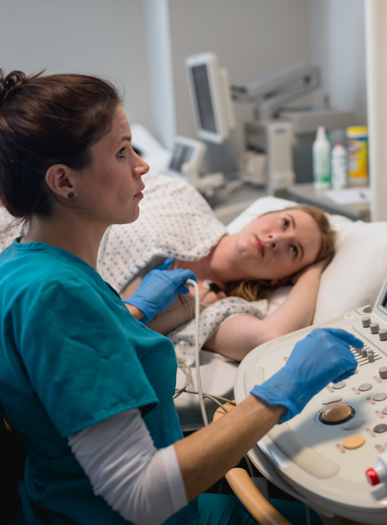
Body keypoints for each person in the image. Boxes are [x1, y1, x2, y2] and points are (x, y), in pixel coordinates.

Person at [0, 69, 363, 525]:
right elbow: (140, 495)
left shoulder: (22, 266)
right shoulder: (58, 294)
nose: (142, 164)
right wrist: (282, 392)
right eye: (121, 150)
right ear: (63, 181)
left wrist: (131, 314)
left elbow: (63, 367)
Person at [120, 202, 335, 361]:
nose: (276, 239)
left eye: (294, 250)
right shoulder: (182, 203)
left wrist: (313, 271)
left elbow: (270, 337)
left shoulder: (215, 305)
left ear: (281, 279)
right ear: (259, 215)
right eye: (285, 223)